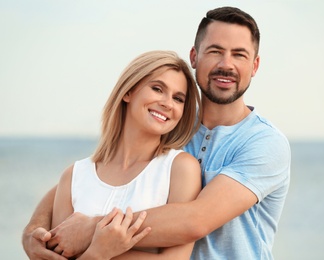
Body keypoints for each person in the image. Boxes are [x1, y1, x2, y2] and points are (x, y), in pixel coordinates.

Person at [22, 6, 291, 260]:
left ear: (254, 66)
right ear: (195, 57)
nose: (226, 64)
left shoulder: (264, 143)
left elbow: (195, 220)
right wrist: (33, 232)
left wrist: (93, 229)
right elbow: (87, 182)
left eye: (239, 55)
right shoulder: (171, 127)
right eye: (215, 51)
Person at [24, 50, 203, 259]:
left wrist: (96, 250)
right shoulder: (74, 175)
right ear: (128, 92)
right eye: (157, 89)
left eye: (178, 98)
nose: (167, 103)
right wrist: (98, 251)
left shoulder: (181, 168)